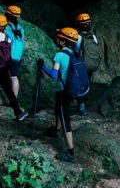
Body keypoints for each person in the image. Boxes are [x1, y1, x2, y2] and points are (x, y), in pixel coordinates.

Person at [37, 27, 80, 162]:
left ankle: (71, 153)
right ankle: (56, 129)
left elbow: (53, 75)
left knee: (65, 118)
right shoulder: (74, 54)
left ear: (63, 41)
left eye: (59, 37)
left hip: (63, 91)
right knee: (58, 109)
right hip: (71, 89)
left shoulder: (60, 55)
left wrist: (42, 66)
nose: (57, 39)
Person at [73, 13, 99, 116]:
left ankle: (81, 107)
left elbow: (75, 50)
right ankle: (84, 105)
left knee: (80, 85)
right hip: (91, 65)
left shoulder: (77, 37)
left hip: (80, 64)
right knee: (87, 84)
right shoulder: (93, 36)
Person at [4, 5, 25, 98]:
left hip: (8, 55)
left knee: (9, 77)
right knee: (14, 77)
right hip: (17, 56)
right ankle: (14, 98)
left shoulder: (6, 27)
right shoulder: (20, 27)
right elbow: (22, 42)